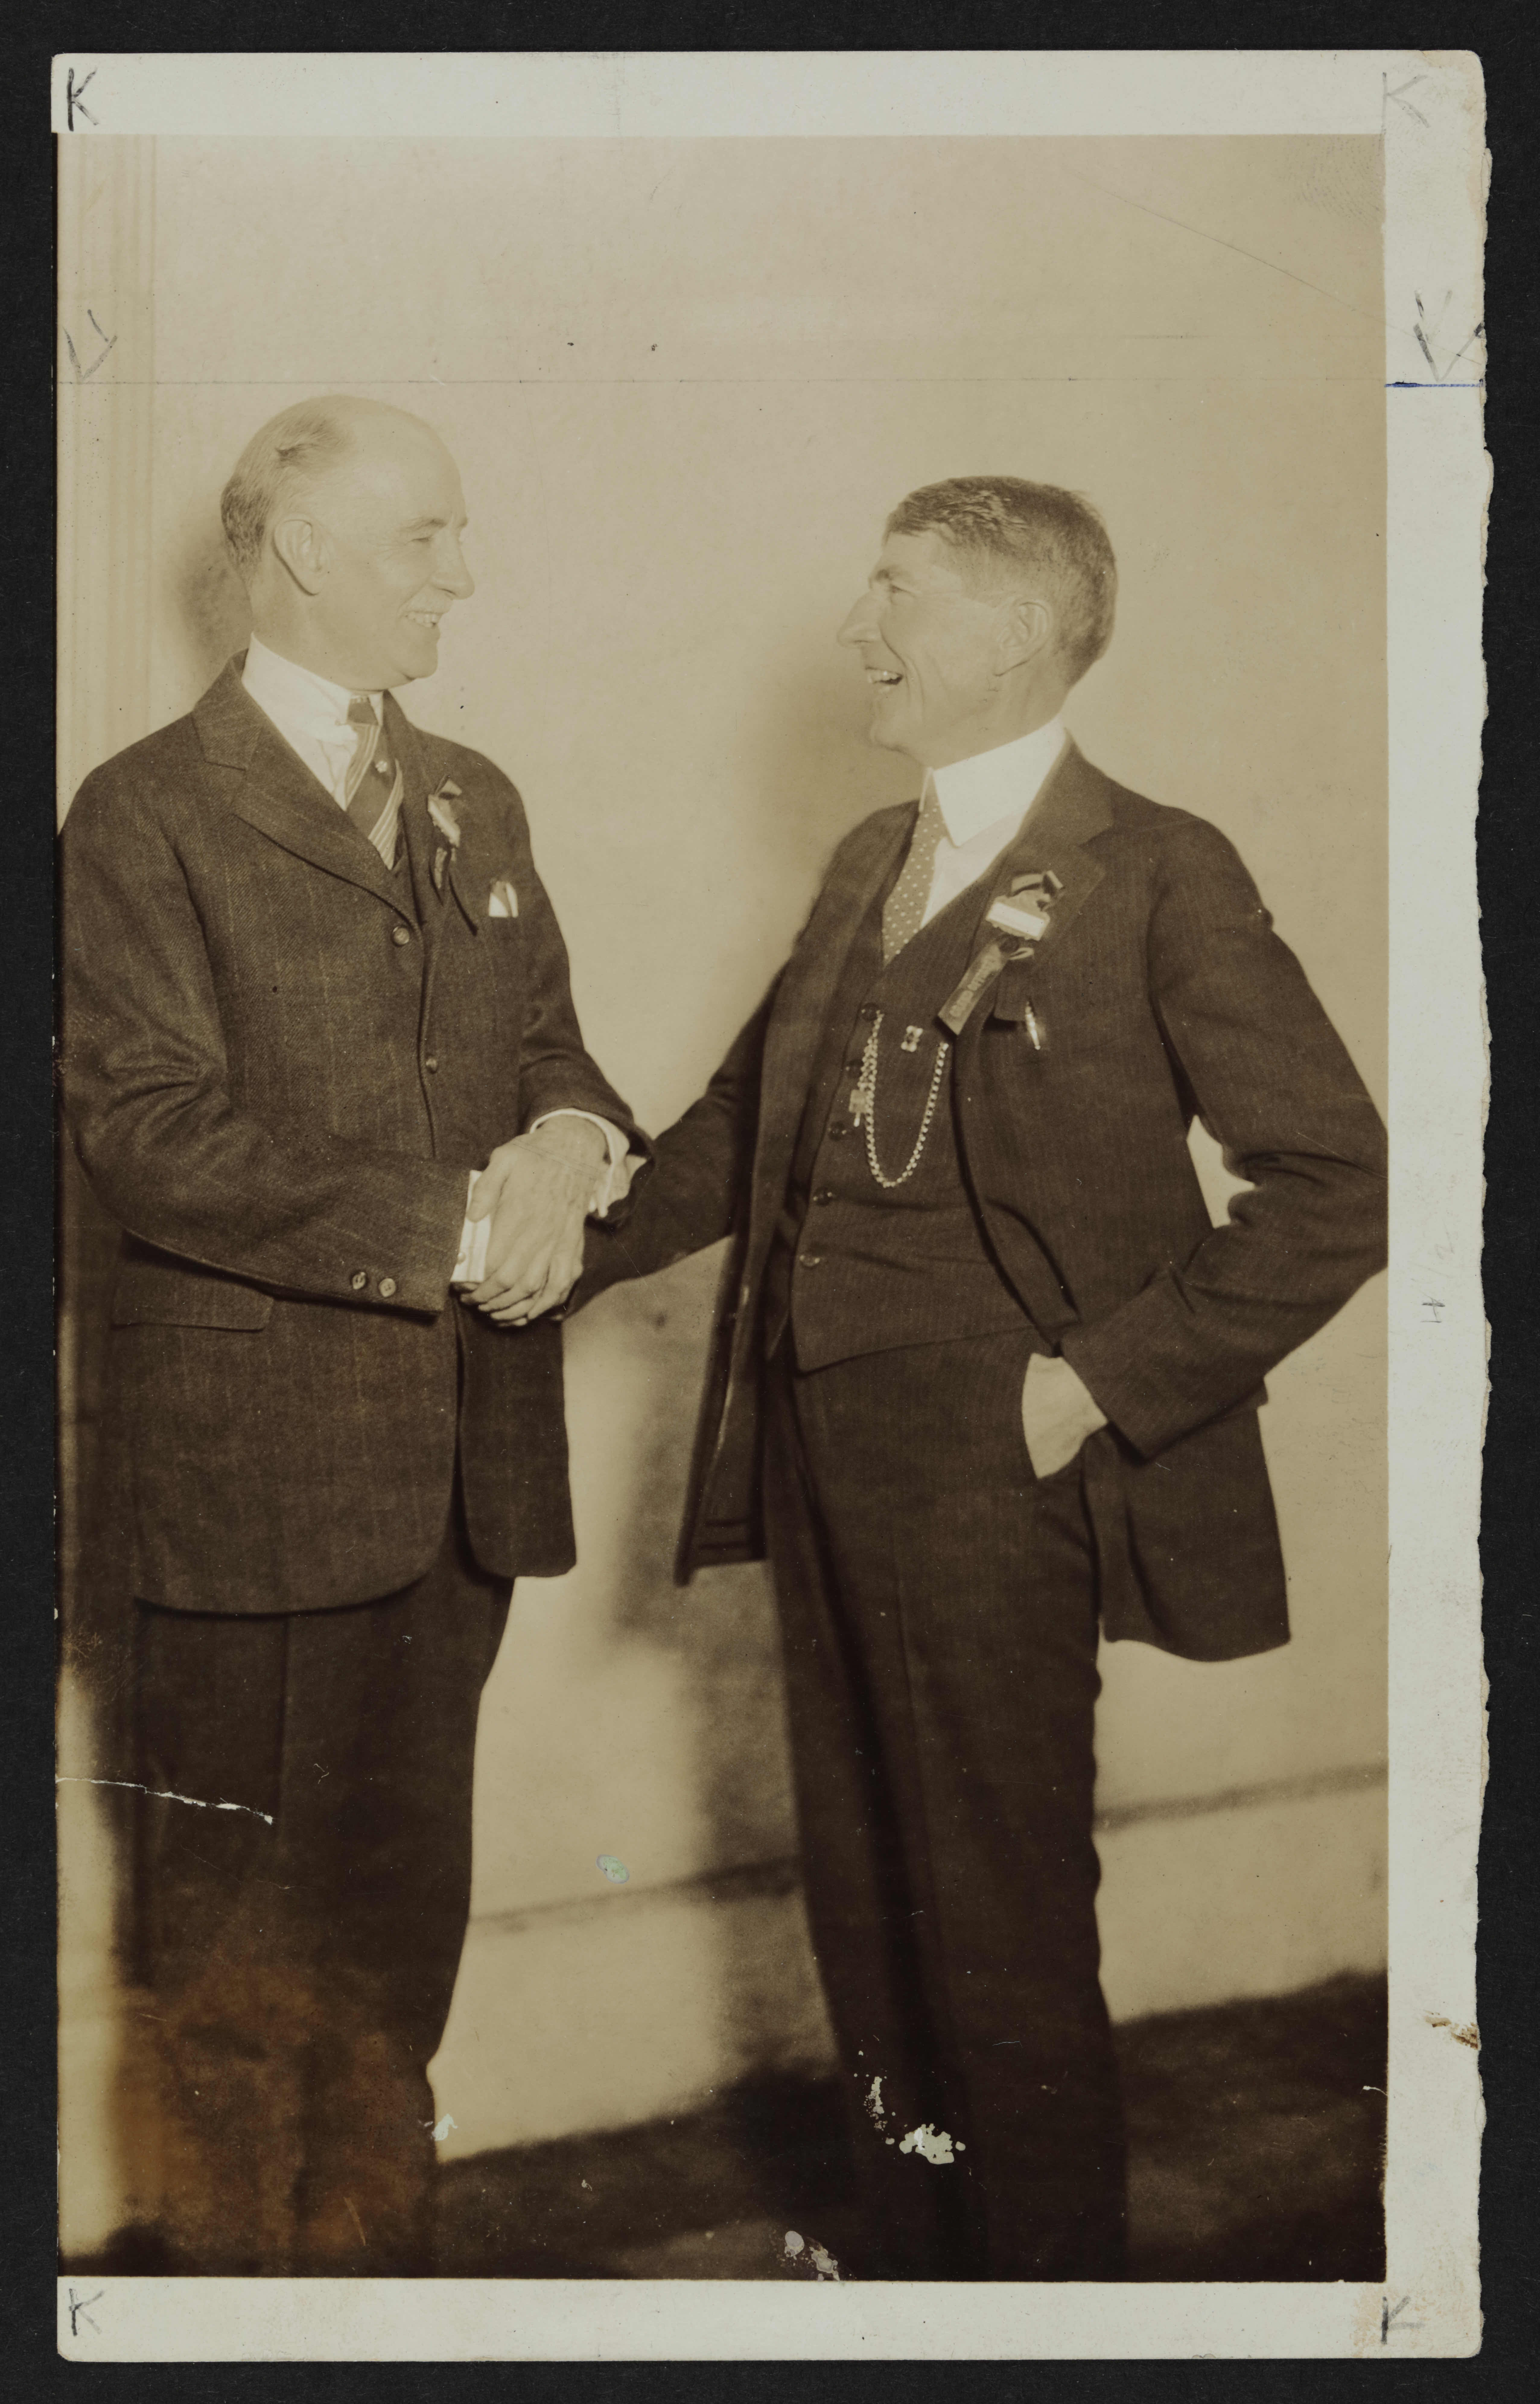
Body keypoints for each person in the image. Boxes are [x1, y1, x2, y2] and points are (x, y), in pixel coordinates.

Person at [575, 476, 1388, 2280]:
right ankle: (911, 2292)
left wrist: (1093, 1384)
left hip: (995, 1462)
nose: (859, 631)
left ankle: (1051, 2312)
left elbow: (1340, 1183)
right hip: (817, 1444)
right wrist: (559, 1236)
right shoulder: (871, 856)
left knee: (998, 1923)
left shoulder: (1163, 868)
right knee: (868, 1909)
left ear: (1014, 631)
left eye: (896, 596)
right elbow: (737, 1132)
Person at [60, 396, 646, 2275]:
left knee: (401, 1947)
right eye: (428, 539)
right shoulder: (144, 811)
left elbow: (549, 1039)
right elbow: (150, 1134)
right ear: (304, 549)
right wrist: (461, 1223)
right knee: (234, 1970)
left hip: (457, 1477)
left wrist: (571, 1135)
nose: (460, 574)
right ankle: (236, 2316)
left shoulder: (475, 792)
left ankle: (375, 2298)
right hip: (246, 1500)